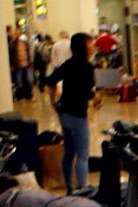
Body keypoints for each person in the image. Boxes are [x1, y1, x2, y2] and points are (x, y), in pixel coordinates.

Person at [46, 33, 96, 192]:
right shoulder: (87, 67)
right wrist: (95, 99)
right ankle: (84, 188)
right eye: (90, 45)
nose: (93, 47)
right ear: (84, 48)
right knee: (82, 154)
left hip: (64, 112)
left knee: (69, 153)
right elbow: (88, 92)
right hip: (78, 114)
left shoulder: (68, 64)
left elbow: (50, 80)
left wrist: (53, 100)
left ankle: (69, 187)